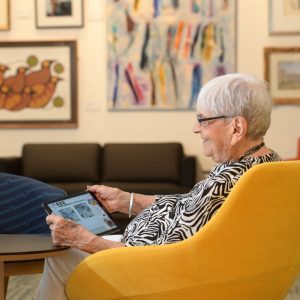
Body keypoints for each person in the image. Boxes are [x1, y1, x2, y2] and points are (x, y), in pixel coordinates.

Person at [34, 73, 281, 299]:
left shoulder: (224, 183)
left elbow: (163, 259)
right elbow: (190, 206)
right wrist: (127, 200)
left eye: (203, 120)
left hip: (159, 275)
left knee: (60, 256)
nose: (196, 128)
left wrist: (86, 241)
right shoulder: (265, 164)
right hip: (173, 259)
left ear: (236, 127)